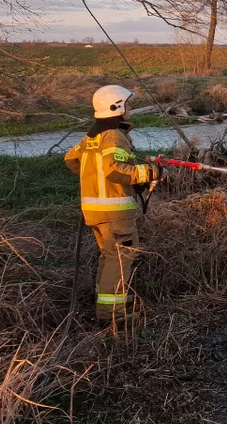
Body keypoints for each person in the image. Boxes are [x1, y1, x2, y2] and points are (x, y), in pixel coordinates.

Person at [64, 85, 162, 325]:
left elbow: (71, 158)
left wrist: (93, 183)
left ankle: (109, 301)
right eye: (127, 104)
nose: (130, 108)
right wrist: (149, 172)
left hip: (96, 211)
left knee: (109, 257)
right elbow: (115, 169)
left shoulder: (92, 135)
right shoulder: (114, 135)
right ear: (116, 107)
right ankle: (112, 316)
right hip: (115, 212)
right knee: (121, 258)